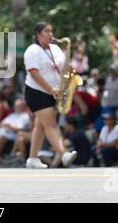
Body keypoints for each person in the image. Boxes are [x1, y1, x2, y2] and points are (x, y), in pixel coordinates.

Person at [23, 21, 77, 169]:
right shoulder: (32, 50)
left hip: (53, 92)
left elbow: (62, 67)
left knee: (40, 126)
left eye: (51, 31)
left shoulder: (55, 49)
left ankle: (32, 159)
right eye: (47, 31)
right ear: (38, 34)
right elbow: (34, 73)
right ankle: (63, 153)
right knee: (51, 124)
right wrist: (51, 89)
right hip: (37, 92)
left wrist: (69, 71)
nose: (51, 34)